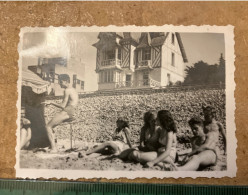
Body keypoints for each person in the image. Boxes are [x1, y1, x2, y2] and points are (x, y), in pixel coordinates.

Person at [43, 74, 79, 153]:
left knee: (48, 126)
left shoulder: (67, 90)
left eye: (60, 82)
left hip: (68, 110)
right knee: (52, 126)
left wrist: (51, 103)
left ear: (66, 81)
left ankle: (54, 148)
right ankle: (52, 145)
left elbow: (63, 106)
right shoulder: (73, 90)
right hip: (72, 110)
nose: (59, 84)